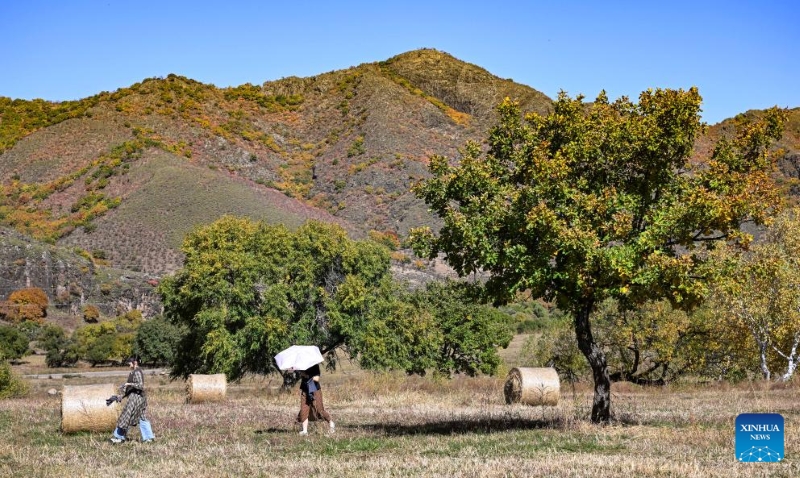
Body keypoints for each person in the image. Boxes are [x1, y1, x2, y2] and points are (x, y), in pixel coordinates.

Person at [110, 355, 156, 443]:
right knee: (141, 417)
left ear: (135, 362)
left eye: (130, 362)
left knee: (126, 417)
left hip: (137, 398)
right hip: (136, 397)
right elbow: (129, 389)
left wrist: (128, 384)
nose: (128, 364)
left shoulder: (137, 372)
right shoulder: (133, 372)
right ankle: (148, 438)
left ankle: (119, 437)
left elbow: (140, 386)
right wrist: (118, 397)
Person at [296, 363, 334, 435]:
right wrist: (300, 372)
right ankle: (305, 431)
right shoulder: (301, 365)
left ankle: (331, 423)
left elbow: (317, 379)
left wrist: (306, 375)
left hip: (315, 390)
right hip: (305, 390)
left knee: (319, 410)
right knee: (304, 410)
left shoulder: (315, 365)